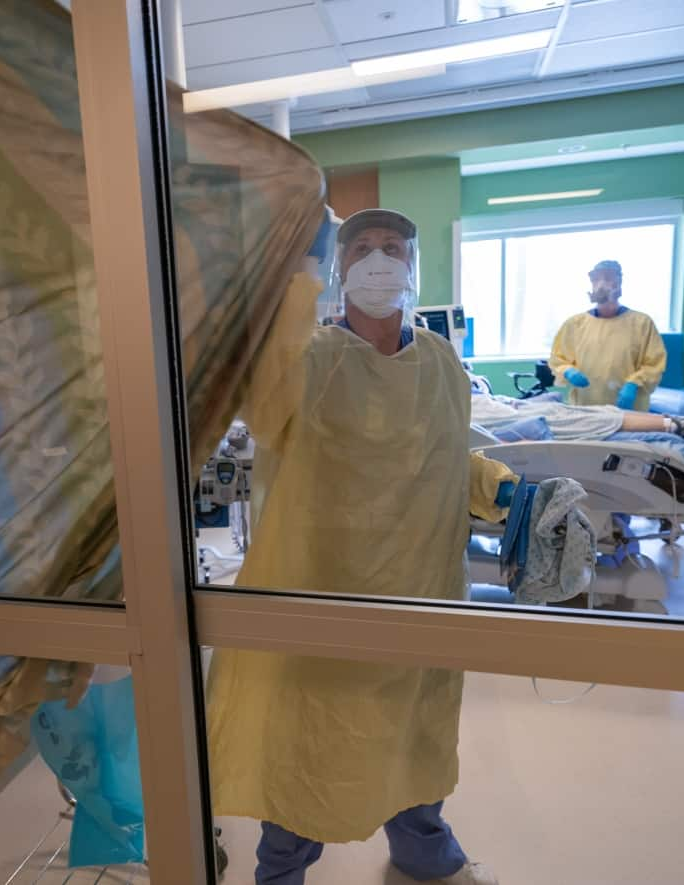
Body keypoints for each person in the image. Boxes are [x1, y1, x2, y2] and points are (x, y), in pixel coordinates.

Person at [206, 208, 520, 885]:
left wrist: (504, 488)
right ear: (340, 269)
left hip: (421, 589)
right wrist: (296, 275)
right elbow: (262, 411)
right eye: (362, 248)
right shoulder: (306, 359)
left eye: (392, 247)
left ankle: (422, 851)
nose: (379, 260)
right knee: (311, 741)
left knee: (417, 733)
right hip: (324, 586)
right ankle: (281, 871)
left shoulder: (440, 361)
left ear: (413, 267)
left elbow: (446, 456)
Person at [549, 259, 667, 411]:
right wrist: (568, 371)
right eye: (596, 279)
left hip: (630, 409)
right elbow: (558, 359)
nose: (601, 284)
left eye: (608, 278)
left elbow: (654, 364)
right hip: (586, 408)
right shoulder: (575, 324)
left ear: (619, 283)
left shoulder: (642, 323)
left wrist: (634, 383)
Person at [469, 391, 684, 440]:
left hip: (510, 410)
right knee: (590, 419)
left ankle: (680, 423)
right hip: (508, 419)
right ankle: (680, 426)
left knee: (601, 412)